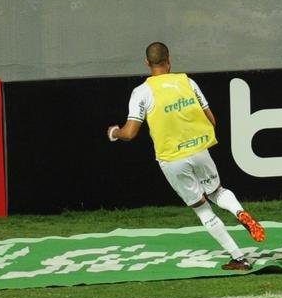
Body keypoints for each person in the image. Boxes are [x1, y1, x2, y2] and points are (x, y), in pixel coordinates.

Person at [107, 42, 265, 271]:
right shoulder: (187, 82)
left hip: (172, 159)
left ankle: (239, 257)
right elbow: (211, 120)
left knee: (202, 208)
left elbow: (130, 133)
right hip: (199, 150)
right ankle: (239, 211)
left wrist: (114, 133)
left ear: (147, 63)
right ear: (169, 60)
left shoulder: (141, 92)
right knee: (217, 191)